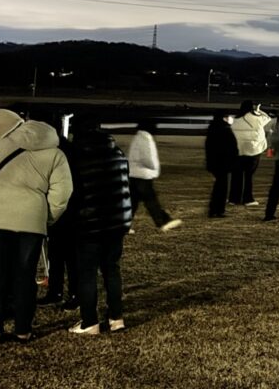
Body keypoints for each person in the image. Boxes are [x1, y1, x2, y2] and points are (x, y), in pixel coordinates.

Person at [0, 109, 73, 344]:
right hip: (31, 222)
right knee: (24, 277)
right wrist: (45, 218)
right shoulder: (56, 154)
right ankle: (22, 330)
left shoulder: (0, 146)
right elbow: (62, 193)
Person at [67, 123, 132, 335]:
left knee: (87, 273)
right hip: (116, 221)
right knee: (112, 269)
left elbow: (75, 193)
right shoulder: (118, 154)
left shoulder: (78, 159)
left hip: (89, 223)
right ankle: (117, 318)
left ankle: (89, 321)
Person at [41, 119, 78, 310]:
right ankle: (66, 292)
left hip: (64, 208)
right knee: (63, 254)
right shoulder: (68, 148)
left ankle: (61, 291)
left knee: (62, 254)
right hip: (69, 208)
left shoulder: (56, 151)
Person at [129, 120, 182, 232]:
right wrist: (154, 168)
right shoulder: (145, 138)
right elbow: (148, 158)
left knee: (132, 202)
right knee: (151, 200)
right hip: (143, 174)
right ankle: (163, 221)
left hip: (134, 174)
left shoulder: (138, 137)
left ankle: (124, 225)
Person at [228, 101, 271, 207]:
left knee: (236, 176)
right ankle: (248, 199)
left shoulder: (235, 120)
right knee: (248, 176)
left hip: (237, 151)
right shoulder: (258, 118)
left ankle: (234, 199)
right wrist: (258, 111)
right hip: (253, 151)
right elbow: (268, 118)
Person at [205, 112, 238, 218]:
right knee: (222, 187)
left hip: (214, 162)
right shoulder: (225, 130)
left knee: (219, 185)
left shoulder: (212, 128)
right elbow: (232, 147)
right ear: (224, 118)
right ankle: (218, 209)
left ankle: (214, 209)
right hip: (223, 162)